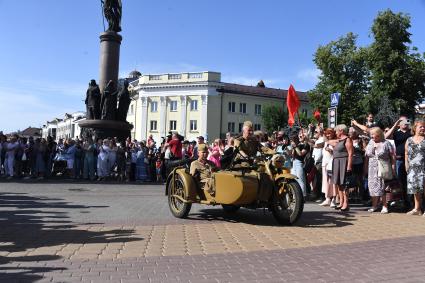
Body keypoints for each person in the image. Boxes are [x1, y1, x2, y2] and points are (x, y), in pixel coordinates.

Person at [364, 127, 395, 213]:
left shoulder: (386, 143)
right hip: (372, 168)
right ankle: (374, 205)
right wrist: (365, 168)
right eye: (371, 134)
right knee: (373, 187)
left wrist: (393, 167)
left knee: (383, 187)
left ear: (379, 134)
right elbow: (366, 156)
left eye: (373, 134)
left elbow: (392, 156)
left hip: (383, 167)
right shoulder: (370, 142)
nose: (372, 136)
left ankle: (384, 206)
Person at [327, 124, 353, 211]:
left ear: (341, 131)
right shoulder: (338, 140)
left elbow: (350, 153)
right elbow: (328, 141)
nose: (336, 132)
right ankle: (341, 201)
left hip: (343, 162)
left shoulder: (347, 139)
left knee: (344, 184)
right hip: (337, 162)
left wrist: (349, 165)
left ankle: (346, 203)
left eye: (337, 131)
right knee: (338, 183)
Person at [405, 120, 425, 215]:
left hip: (423, 166)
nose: (423, 128)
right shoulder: (409, 140)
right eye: (420, 126)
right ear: (415, 128)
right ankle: (417, 209)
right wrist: (406, 164)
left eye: (423, 127)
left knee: (424, 188)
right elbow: (406, 153)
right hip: (412, 167)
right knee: (415, 189)